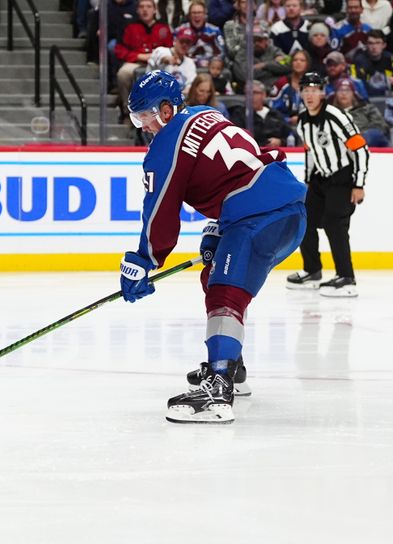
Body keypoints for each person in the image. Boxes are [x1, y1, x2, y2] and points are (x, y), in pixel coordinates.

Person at [119, 71, 307, 423]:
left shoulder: (166, 144)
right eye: (137, 117)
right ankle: (232, 366)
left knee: (223, 293)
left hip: (257, 216)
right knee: (217, 277)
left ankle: (219, 388)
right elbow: (237, 169)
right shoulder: (207, 113)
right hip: (288, 209)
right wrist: (221, 228)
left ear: (165, 109)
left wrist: (144, 260)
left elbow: (159, 208)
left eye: (146, 115)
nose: (144, 126)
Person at [288, 72, 369, 296]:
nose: (310, 94)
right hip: (319, 179)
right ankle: (312, 270)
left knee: (335, 224)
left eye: (314, 89)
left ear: (323, 92)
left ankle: (346, 277)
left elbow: (361, 149)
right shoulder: (303, 120)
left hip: (342, 178)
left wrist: (359, 183)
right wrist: (307, 182)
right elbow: (310, 152)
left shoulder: (336, 116)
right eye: (306, 90)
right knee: (304, 219)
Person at [114, 0, 172, 123]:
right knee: (123, 74)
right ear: (137, 10)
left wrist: (158, 57)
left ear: (155, 10)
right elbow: (119, 50)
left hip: (158, 64)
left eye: (149, 7)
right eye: (142, 7)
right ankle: (127, 111)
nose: (145, 10)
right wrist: (139, 56)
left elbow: (170, 49)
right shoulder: (130, 27)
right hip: (137, 61)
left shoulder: (163, 28)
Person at [229, 79, 293, 146]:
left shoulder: (275, 114)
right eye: (248, 93)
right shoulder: (238, 115)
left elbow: (291, 136)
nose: (251, 96)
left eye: (255, 93)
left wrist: (280, 142)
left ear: (264, 95)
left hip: (275, 152)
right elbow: (235, 139)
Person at [331, 77, 389, 146]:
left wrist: (360, 135)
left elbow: (381, 126)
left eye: (347, 90)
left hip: (367, 142)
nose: (344, 93)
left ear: (353, 93)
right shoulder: (330, 112)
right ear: (335, 94)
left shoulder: (367, 108)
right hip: (340, 143)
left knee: (374, 134)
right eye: (340, 90)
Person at [351, 29, 393, 96]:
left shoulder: (390, 58)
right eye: (370, 43)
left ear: (384, 45)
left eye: (378, 43)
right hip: (365, 97)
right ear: (366, 45)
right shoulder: (358, 60)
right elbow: (354, 84)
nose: (374, 47)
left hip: (387, 97)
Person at [174, 0, 225, 68]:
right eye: (194, 13)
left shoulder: (215, 31)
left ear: (205, 14)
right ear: (189, 15)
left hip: (209, 68)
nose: (197, 15)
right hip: (186, 66)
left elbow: (221, 52)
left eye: (199, 12)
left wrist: (213, 63)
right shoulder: (179, 31)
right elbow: (174, 51)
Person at [272, 49, 312, 127]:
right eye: (295, 60)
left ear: (307, 64)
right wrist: (287, 120)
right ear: (291, 63)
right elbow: (273, 109)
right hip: (283, 126)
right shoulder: (281, 83)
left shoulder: (313, 85)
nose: (298, 62)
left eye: (302, 60)